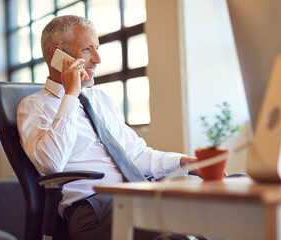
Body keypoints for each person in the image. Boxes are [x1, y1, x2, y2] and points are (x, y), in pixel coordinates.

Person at [17, 15, 200, 240]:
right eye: (87, 49)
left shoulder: (100, 99)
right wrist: (71, 95)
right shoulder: (33, 106)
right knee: (193, 217)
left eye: (97, 48)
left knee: (222, 197)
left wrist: (186, 162)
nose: (97, 59)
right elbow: (51, 165)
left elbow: (137, 155)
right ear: (57, 54)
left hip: (138, 193)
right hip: (95, 208)